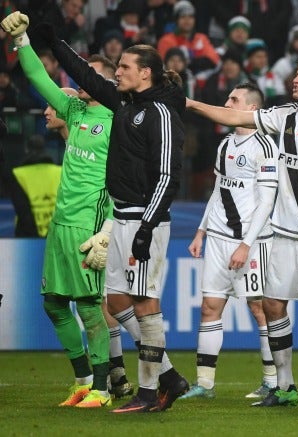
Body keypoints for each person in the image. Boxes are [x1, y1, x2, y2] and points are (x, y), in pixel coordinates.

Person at [23, 14, 191, 412]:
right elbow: (87, 75)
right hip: (123, 217)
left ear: (145, 73)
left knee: (145, 301)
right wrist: (56, 44)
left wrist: (148, 225)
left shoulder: (161, 115)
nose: (117, 74)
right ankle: (168, 376)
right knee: (116, 300)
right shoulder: (123, 103)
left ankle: (150, 393)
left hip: (144, 220)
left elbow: (168, 175)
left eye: (125, 69)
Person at [187, 58, 298, 409]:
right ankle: (285, 387)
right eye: (295, 74)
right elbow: (234, 117)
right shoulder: (284, 115)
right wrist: (189, 104)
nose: (295, 79)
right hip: (282, 232)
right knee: (273, 305)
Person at [2, 12, 129, 409]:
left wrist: (110, 227)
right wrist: (22, 42)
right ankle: (83, 379)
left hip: (88, 222)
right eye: (80, 74)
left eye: (89, 75)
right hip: (60, 221)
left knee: (91, 307)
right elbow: (40, 80)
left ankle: (104, 389)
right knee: (54, 303)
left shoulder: (118, 119)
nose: (80, 80)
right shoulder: (75, 112)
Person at [178, 83, 278, 401]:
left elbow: (266, 202)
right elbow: (219, 192)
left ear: (251, 109)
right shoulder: (224, 145)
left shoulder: (266, 146)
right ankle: (205, 384)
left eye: (233, 99)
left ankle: (272, 381)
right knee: (210, 307)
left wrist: (246, 243)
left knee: (260, 309)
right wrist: (201, 231)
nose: (226, 103)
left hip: (253, 241)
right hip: (219, 239)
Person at [9, 134, 61, 238]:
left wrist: (36, 235)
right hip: (56, 233)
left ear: (26, 149)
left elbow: (22, 210)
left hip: (27, 237)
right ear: (45, 149)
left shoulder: (18, 174)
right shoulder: (60, 171)